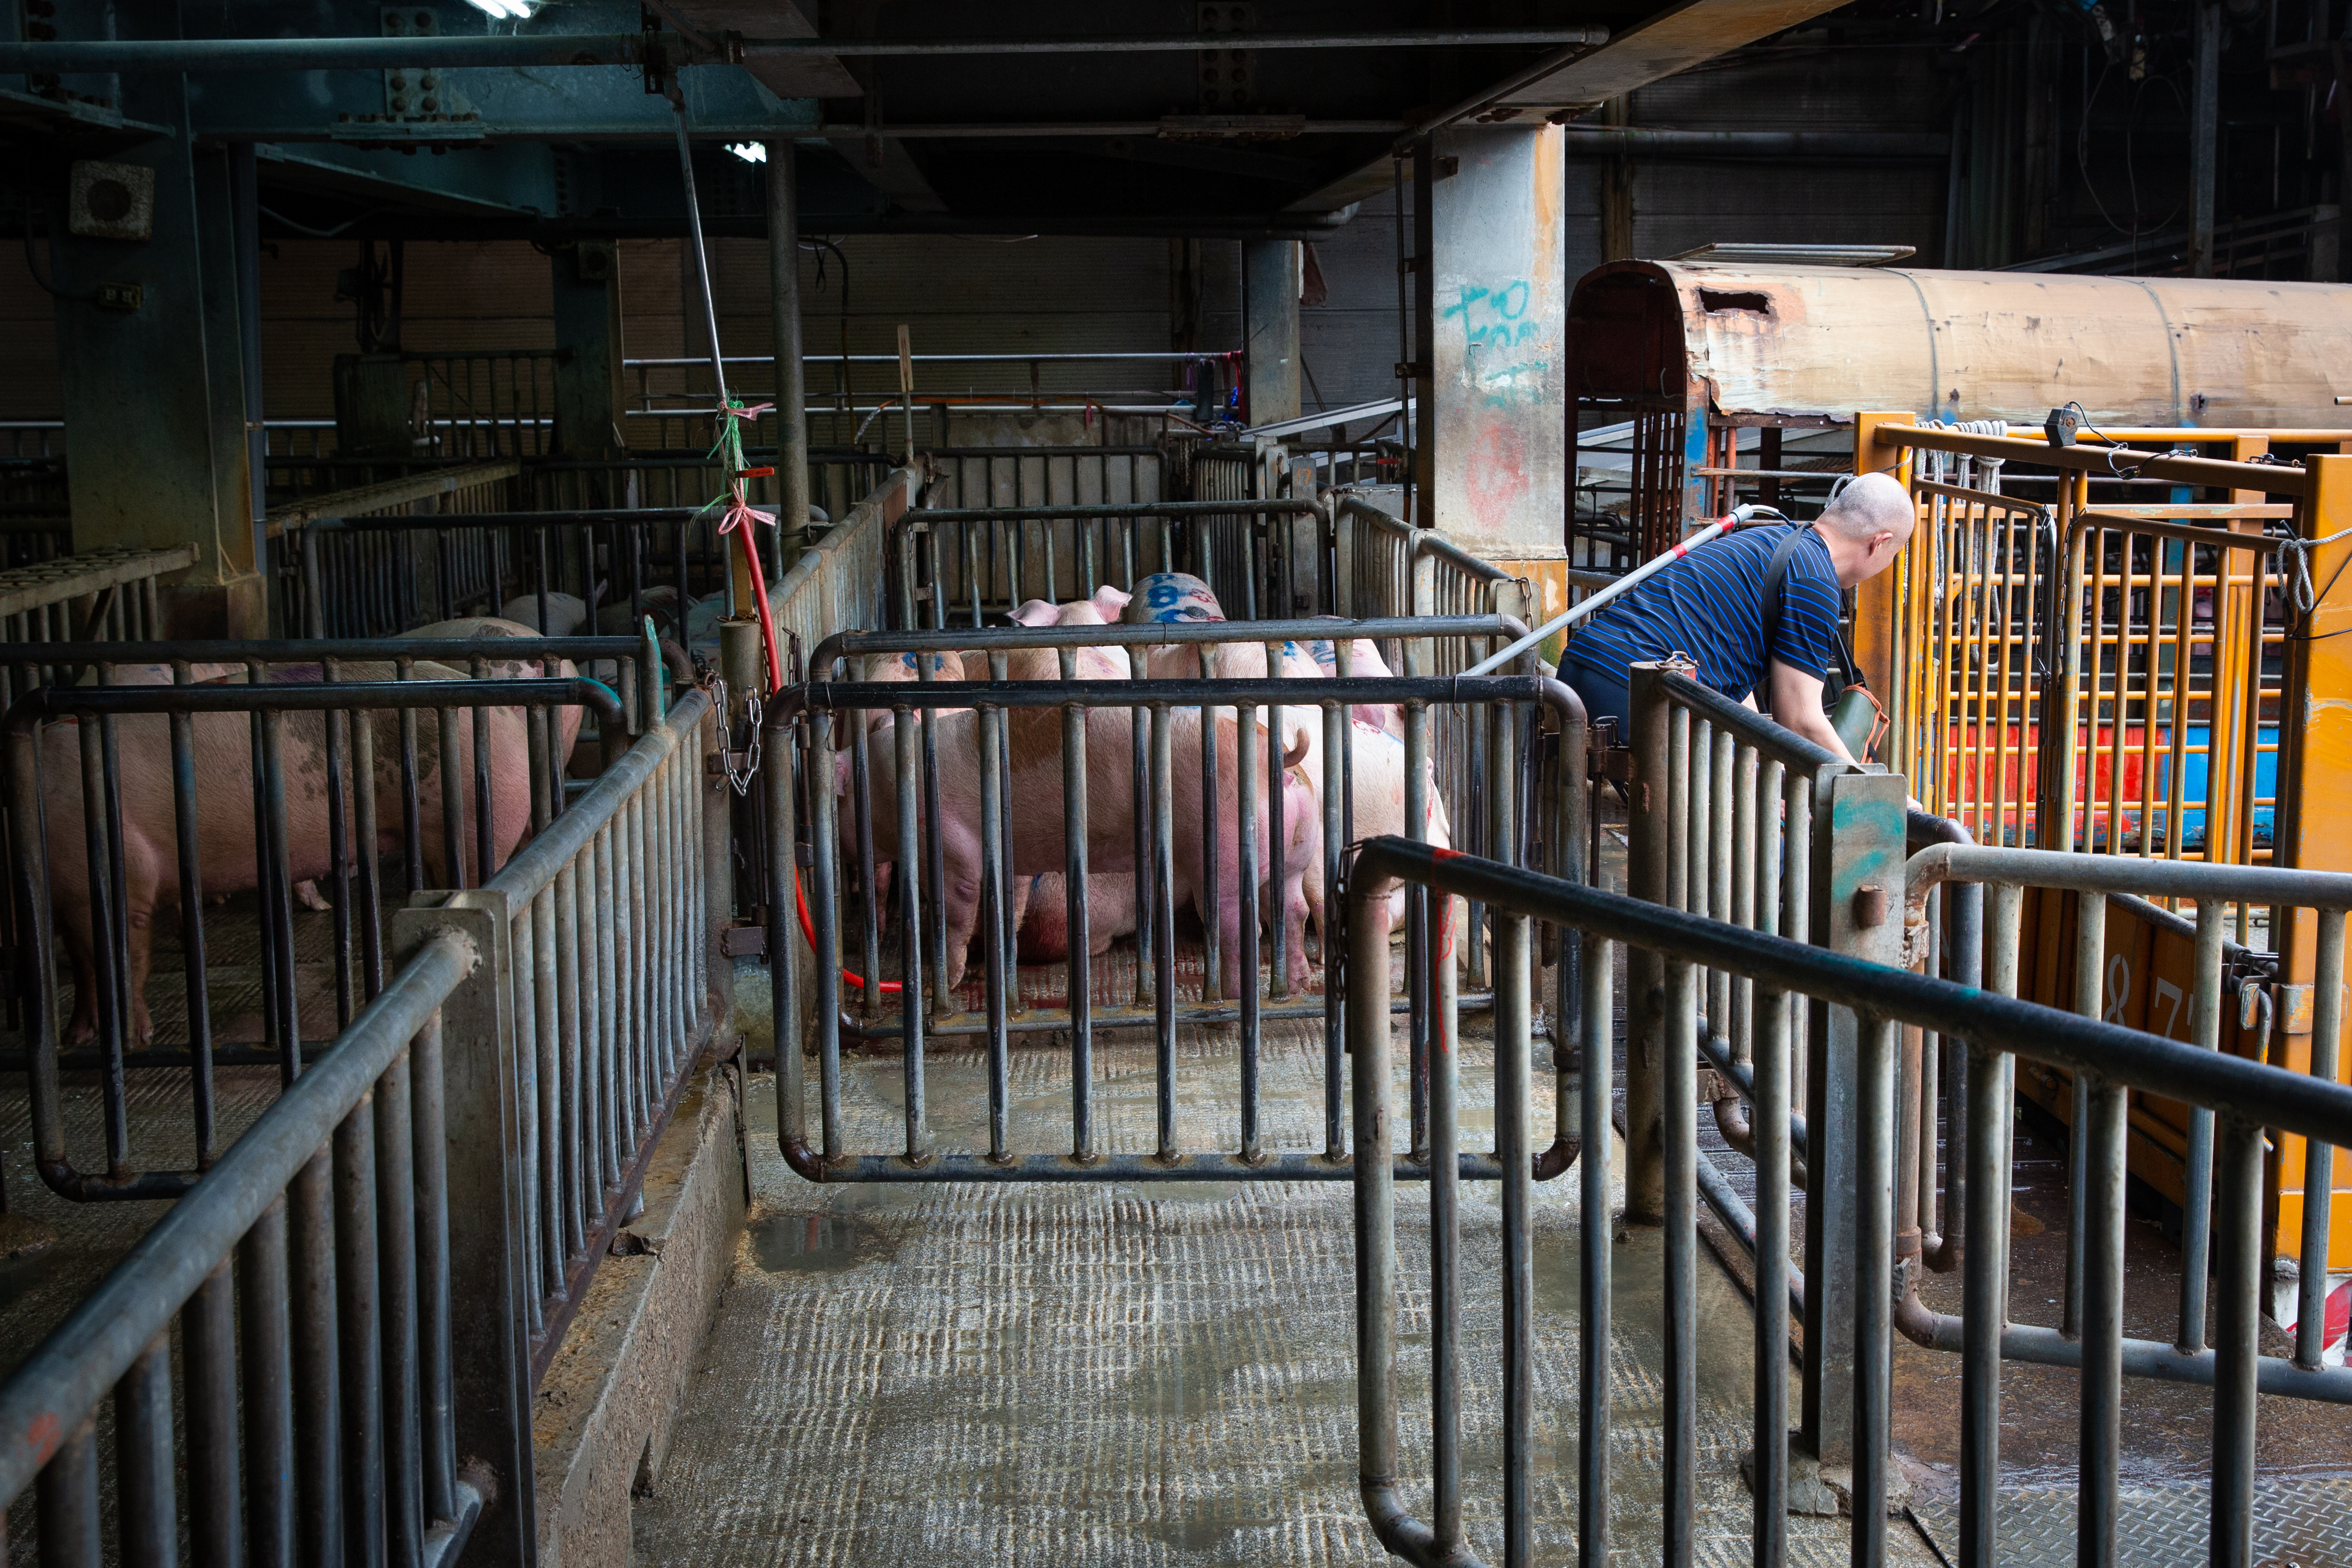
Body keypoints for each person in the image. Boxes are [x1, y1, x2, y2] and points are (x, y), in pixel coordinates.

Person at [1558, 471, 1916, 765]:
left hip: (1577, 673)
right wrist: (1868, 789)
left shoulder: (1769, 537)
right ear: (1879, 543)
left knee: (1757, 793)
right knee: (1765, 837)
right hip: (1633, 695)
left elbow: (1736, 693)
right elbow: (1801, 722)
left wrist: (1758, 773)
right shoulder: (1815, 581)